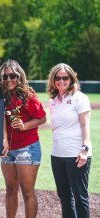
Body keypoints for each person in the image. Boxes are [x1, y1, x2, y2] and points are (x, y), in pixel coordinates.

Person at [0, 59, 46, 218]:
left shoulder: (27, 95)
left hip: (27, 148)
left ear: (19, 76)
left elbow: (42, 118)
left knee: (27, 191)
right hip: (8, 149)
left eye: (12, 76)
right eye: (5, 77)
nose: (8, 80)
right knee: (10, 189)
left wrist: (24, 125)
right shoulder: (1, 95)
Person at [46, 63, 92, 218]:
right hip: (57, 155)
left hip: (77, 155)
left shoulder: (80, 98)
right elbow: (56, 127)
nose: (61, 81)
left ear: (71, 78)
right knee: (65, 197)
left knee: (80, 197)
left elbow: (85, 125)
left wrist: (84, 150)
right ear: (53, 80)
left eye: (65, 77)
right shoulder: (53, 101)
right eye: (57, 78)